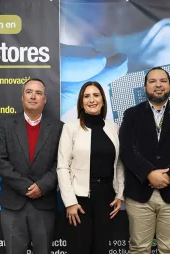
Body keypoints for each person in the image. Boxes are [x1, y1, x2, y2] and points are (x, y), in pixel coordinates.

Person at [119, 67, 170, 254]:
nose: (158, 85)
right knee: (139, 248)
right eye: (153, 81)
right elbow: (126, 150)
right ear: (145, 86)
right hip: (140, 193)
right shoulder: (131, 114)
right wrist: (149, 173)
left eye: (163, 81)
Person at [0, 78, 64, 254]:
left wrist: (42, 186)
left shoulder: (58, 127)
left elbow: (61, 163)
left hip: (44, 203)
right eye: (29, 92)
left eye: (38, 93)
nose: (33, 96)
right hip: (13, 203)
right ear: (22, 97)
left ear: (45, 99)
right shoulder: (5, 125)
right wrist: (25, 186)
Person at [57, 81, 125, 254]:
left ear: (102, 99)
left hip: (106, 198)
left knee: (101, 248)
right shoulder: (70, 128)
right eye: (86, 96)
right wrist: (70, 202)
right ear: (81, 102)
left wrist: (119, 194)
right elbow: (63, 167)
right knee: (80, 248)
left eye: (96, 95)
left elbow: (118, 164)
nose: (92, 100)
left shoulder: (113, 127)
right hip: (79, 200)